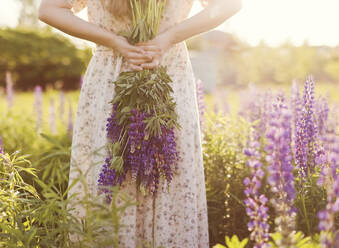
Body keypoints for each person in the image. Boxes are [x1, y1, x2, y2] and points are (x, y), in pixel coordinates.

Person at [38, 0, 242, 247]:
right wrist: (166, 39)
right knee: (143, 177)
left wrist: (116, 41)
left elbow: (50, 8)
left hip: (127, 77)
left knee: (141, 176)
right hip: (159, 74)